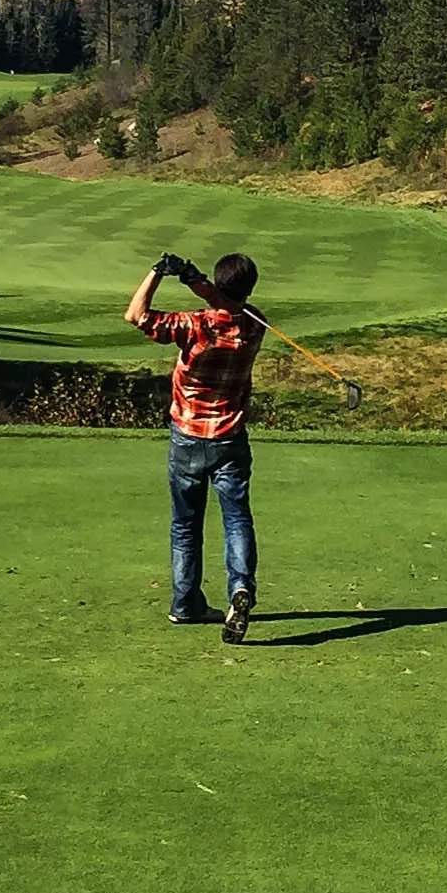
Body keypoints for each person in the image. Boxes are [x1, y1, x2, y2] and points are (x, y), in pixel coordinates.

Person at [126, 250, 263, 643]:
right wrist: (193, 279)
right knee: (236, 518)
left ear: (215, 287)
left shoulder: (195, 326)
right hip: (230, 438)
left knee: (185, 525)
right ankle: (241, 588)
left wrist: (158, 273)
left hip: (187, 436)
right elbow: (229, 305)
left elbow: (135, 315)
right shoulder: (256, 324)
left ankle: (186, 604)